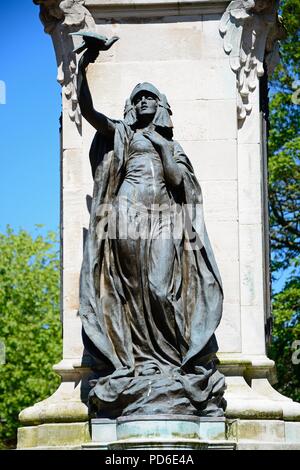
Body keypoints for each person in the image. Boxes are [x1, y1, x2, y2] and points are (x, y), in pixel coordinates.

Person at [77, 45, 226, 418]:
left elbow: (178, 182)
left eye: (151, 97)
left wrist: (161, 143)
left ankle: (172, 362)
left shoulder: (169, 144)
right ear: (132, 106)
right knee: (132, 290)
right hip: (125, 210)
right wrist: (83, 65)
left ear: (160, 106)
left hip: (162, 214)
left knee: (159, 285)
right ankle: (139, 362)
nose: (144, 100)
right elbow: (88, 111)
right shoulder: (123, 133)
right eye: (138, 97)